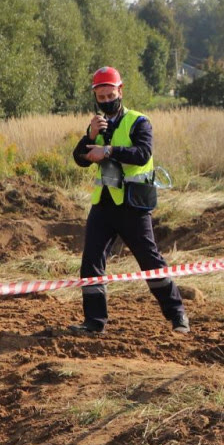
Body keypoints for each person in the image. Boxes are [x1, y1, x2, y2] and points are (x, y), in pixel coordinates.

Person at [72, 66, 189, 335]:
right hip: (103, 204)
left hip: (133, 206)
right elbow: (80, 158)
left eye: (109, 95)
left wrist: (109, 150)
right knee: (91, 262)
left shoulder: (139, 122)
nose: (105, 101)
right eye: (100, 98)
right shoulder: (97, 126)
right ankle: (94, 322)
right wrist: (89, 137)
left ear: (120, 91)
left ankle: (177, 315)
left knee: (150, 261)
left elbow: (142, 153)